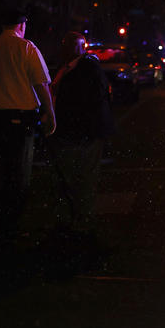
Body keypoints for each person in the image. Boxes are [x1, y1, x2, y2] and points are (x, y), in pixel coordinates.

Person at [0, 7, 55, 258]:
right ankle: (8, 234)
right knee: (17, 178)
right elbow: (41, 84)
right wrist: (50, 114)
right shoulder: (27, 48)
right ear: (22, 25)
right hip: (19, 121)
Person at [49, 31, 114, 242]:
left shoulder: (85, 69)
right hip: (75, 131)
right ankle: (76, 220)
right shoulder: (73, 68)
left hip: (80, 132)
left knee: (80, 178)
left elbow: (86, 101)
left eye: (69, 45)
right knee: (76, 177)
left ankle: (80, 222)